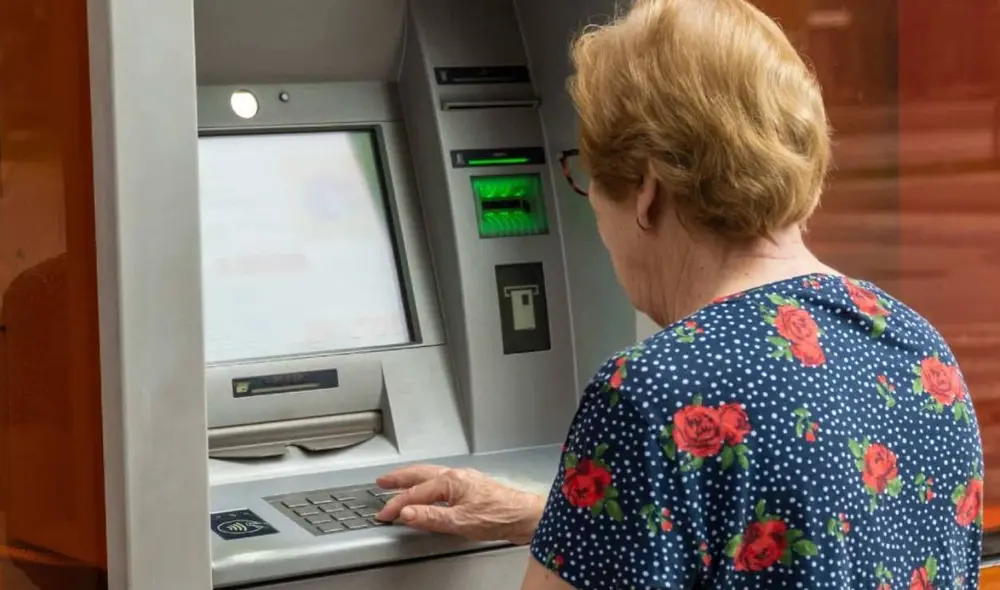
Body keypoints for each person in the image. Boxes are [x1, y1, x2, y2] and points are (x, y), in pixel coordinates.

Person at [376, 0, 984, 587]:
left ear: (647, 189)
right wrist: (554, 518)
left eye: (588, 179)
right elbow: (798, 548)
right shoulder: (918, 352)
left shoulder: (652, 394)